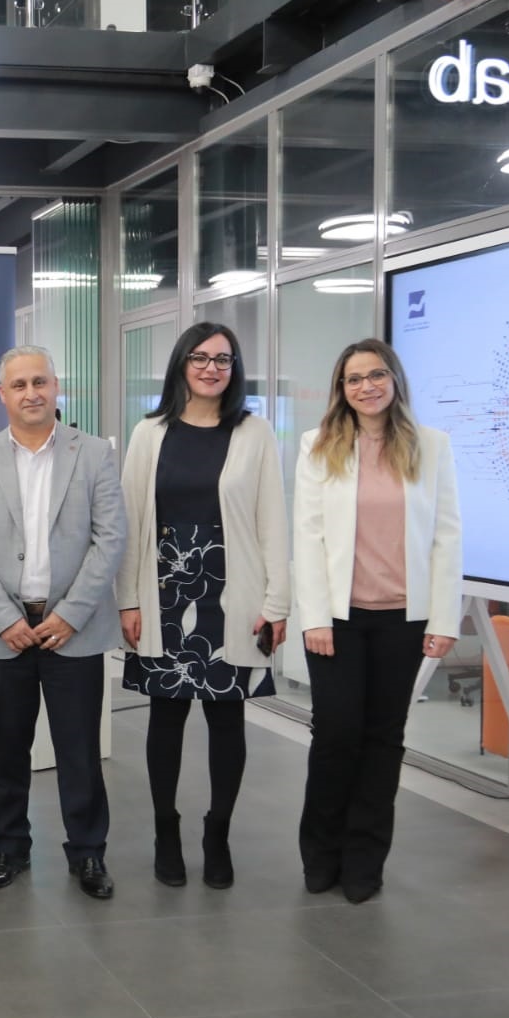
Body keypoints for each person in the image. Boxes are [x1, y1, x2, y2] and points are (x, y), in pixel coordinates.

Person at [116, 322, 289, 890]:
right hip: (163, 593)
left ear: (234, 369)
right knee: (165, 717)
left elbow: (273, 521)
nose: (212, 368)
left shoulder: (254, 433)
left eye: (223, 359)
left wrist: (277, 603)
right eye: (200, 358)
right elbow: (131, 522)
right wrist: (127, 599)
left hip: (232, 594)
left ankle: (218, 833)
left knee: (227, 718)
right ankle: (166, 831)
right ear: (181, 364)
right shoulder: (149, 433)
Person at [0, 346, 126, 899]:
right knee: (6, 752)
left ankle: (88, 853)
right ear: (2, 395)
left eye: (40, 382)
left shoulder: (93, 454)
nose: (31, 393)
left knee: (79, 753)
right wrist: (5, 618)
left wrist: (70, 615)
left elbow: (110, 539)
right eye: (19, 385)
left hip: (73, 630)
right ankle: (9, 847)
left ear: (56, 387)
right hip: (4, 633)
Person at [294, 337, 461, 904]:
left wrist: (444, 618)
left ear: (394, 379)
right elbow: (309, 537)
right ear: (341, 390)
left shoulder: (431, 446)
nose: (366, 386)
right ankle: (321, 852)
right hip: (337, 621)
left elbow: (446, 535)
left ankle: (365, 859)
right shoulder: (319, 445)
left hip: (404, 620)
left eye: (376, 375)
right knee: (336, 735)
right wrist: (315, 617)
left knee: (384, 740)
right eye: (354, 379)